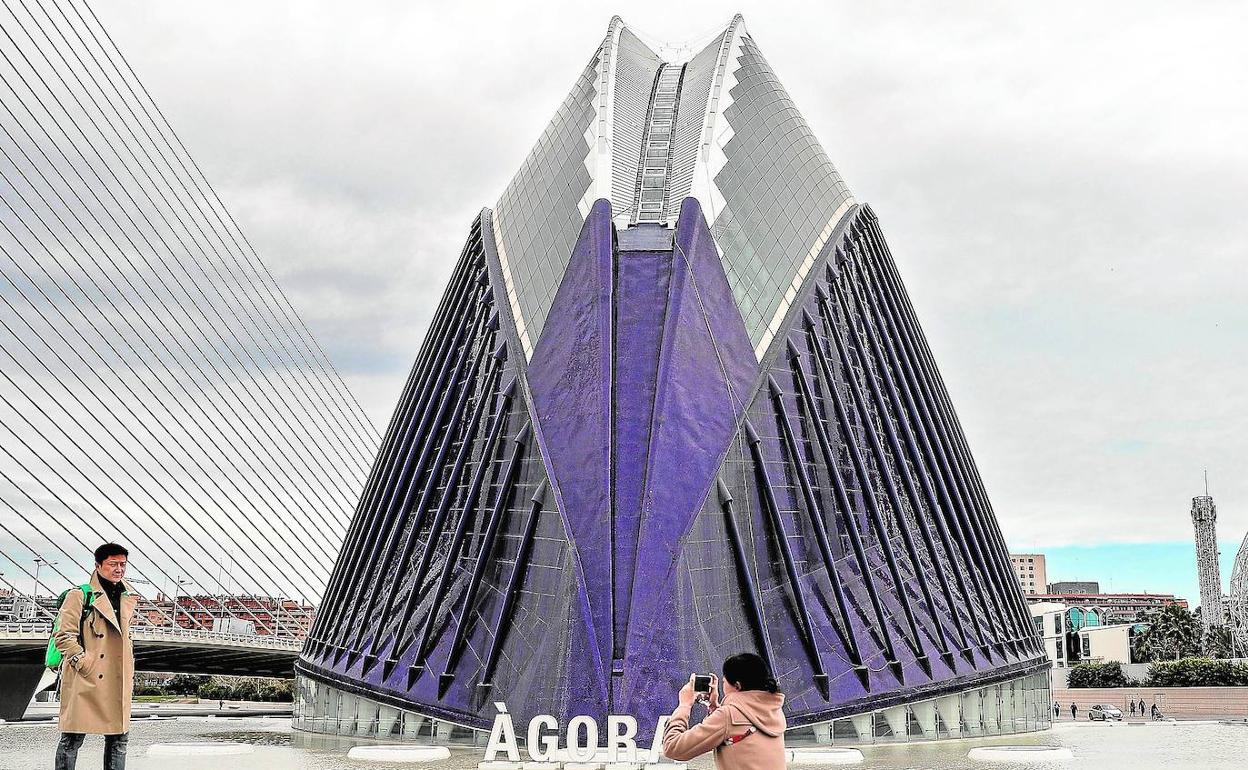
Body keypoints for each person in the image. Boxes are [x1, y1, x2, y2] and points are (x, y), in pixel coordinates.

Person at [53, 543, 137, 770]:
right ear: (98, 565)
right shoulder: (79, 595)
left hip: (117, 678)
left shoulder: (128, 597)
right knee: (71, 739)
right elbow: (63, 637)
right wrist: (83, 662)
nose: (119, 569)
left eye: (123, 564)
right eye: (113, 564)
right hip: (86, 677)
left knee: (119, 740)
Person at [663, 652, 786, 770]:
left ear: (737, 686)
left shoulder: (728, 716)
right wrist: (714, 707)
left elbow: (673, 748)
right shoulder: (774, 711)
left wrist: (684, 705)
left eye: (724, 681)